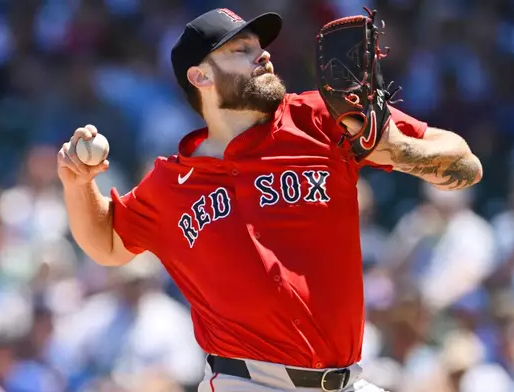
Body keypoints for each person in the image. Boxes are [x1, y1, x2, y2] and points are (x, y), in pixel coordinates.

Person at [57, 8, 482, 392]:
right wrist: (78, 183)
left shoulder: (319, 118)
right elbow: (108, 244)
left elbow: (466, 164)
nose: (263, 56)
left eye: (261, 47)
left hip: (347, 381)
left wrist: (389, 143)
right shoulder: (171, 183)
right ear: (200, 76)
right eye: (241, 49)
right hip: (249, 382)